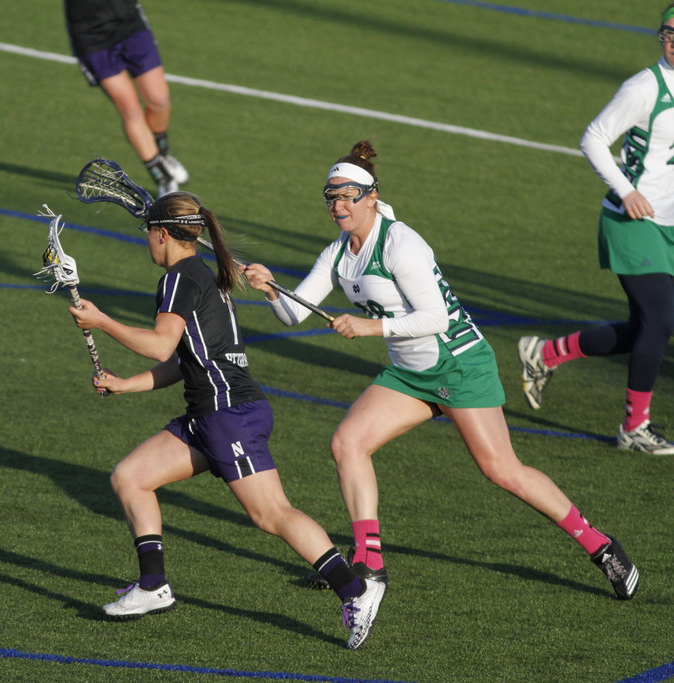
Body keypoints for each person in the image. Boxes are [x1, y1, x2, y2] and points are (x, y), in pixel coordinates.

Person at [242, 141, 640, 601]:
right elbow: (294, 314)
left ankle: (600, 546)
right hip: (411, 373)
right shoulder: (338, 253)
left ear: (372, 196)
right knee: (347, 443)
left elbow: (437, 318)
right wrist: (271, 289)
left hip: (458, 365)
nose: (339, 206)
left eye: (349, 196)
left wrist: (371, 327)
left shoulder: (400, 243)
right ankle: (370, 562)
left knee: (502, 470)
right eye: (331, 198)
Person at [68, 191, 385, 650]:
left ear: (162, 234)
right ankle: (153, 586)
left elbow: (160, 345)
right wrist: (126, 384)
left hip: (227, 415)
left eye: (147, 234)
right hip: (210, 414)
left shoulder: (179, 279)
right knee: (131, 477)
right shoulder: (205, 275)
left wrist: (102, 321)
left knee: (271, 513)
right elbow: (185, 361)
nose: (147, 242)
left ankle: (355, 591)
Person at [519, 4, 674, 455]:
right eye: (667, 33)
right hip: (631, 222)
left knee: (648, 325)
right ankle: (634, 428)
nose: (671, 42)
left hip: (668, 225)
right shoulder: (644, 88)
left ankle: (546, 355)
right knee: (659, 321)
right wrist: (626, 191)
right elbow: (593, 138)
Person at [64, 0, 189, 197]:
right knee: (130, 108)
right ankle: (162, 177)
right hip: (90, 34)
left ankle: (163, 153)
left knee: (158, 98)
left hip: (128, 20)